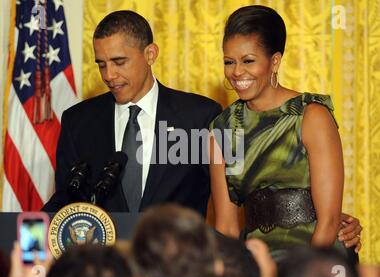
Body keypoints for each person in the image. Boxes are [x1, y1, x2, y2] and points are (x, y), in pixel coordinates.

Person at [209, 5, 361, 261]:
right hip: (257, 262)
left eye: (248, 61)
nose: (236, 72)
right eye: (229, 62)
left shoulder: (311, 116)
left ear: (275, 61)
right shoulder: (221, 129)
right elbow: (226, 228)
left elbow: (330, 220)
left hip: (318, 258)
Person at [42, 10, 222, 216]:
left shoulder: (202, 116)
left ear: (150, 54)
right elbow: (66, 207)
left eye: (119, 62)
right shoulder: (77, 121)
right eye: (101, 64)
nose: (109, 75)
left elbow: (226, 210)